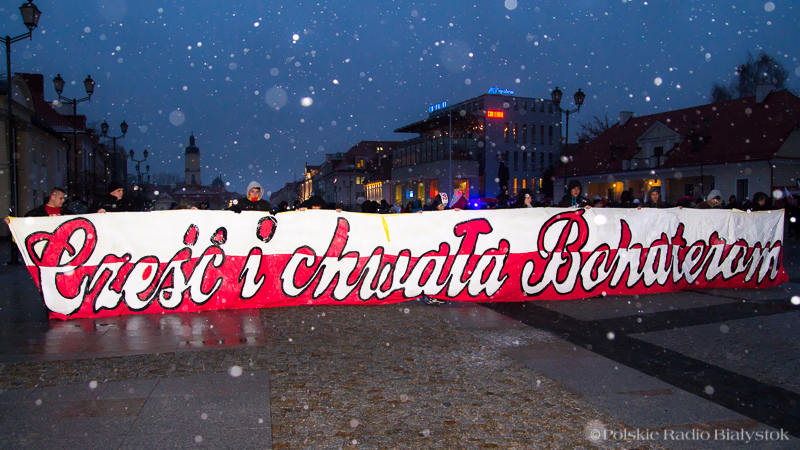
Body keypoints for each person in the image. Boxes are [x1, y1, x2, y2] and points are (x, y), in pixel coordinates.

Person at [4, 187, 71, 226]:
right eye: (61, 198)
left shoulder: (67, 213)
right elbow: (24, 225)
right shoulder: (37, 213)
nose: (63, 201)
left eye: (63, 198)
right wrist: (12, 223)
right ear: (53, 197)